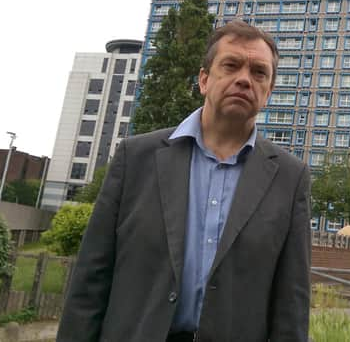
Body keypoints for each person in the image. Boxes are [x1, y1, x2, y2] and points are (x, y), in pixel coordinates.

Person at [57, 20, 312, 342]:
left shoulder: (290, 178)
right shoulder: (136, 158)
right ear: (204, 80)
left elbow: (292, 301)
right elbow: (91, 279)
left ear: (269, 92)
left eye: (259, 72)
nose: (244, 80)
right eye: (231, 65)